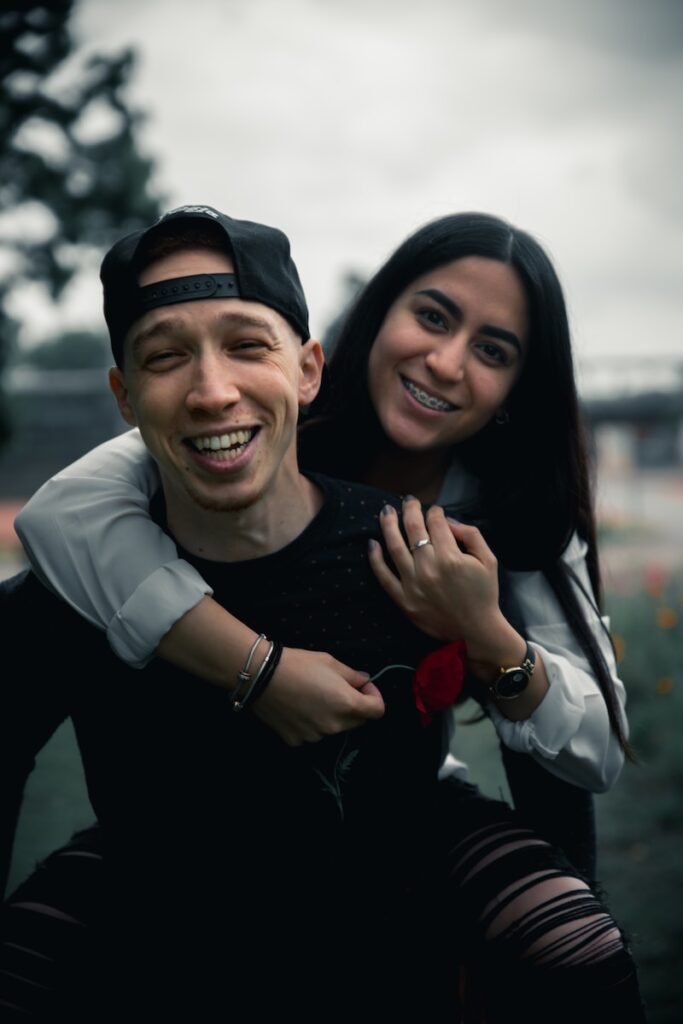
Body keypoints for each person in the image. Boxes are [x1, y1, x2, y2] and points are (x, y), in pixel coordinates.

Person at [2, 207, 645, 1021]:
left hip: (399, 790)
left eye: (492, 350)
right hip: (186, 806)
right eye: (433, 316)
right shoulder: (241, 410)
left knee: (563, 947)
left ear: (521, 384)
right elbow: (64, 515)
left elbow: (590, 751)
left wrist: (485, 634)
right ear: (373, 320)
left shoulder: (518, 513)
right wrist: (257, 667)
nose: (446, 362)